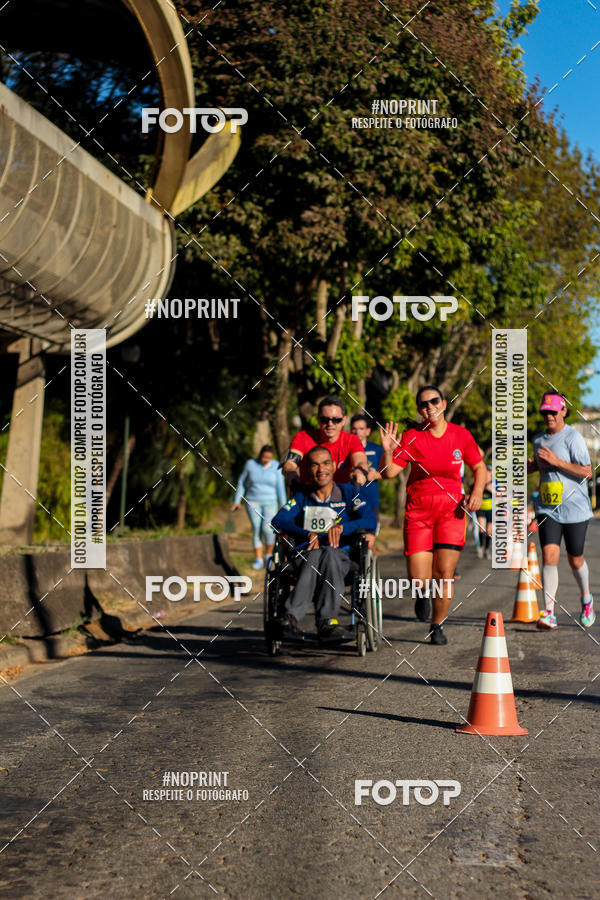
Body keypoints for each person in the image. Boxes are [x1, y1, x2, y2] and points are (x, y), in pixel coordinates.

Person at [374, 385, 487, 645]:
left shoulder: (461, 435)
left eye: (434, 401)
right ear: (418, 410)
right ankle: (422, 594)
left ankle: (437, 625)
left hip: (451, 510)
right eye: (423, 404)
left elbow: (479, 467)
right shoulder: (411, 437)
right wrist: (389, 450)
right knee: (418, 578)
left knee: (444, 574)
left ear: (444, 403)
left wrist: (477, 491)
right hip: (419, 512)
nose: (429, 407)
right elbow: (389, 473)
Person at [272, 445, 377, 642]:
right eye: (315, 465)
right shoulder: (302, 497)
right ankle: (290, 618)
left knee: (328, 553)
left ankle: (327, 622)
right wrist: (305, 533)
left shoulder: (347, 493)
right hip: (306, 556)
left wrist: (343, 528)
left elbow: (370, 520)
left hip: (339, 558)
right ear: (308, 470)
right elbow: (278, 521)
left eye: (326, 463)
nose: (321, 469)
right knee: (315, 554)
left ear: (335, 466)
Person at [529, 392, 595, 630]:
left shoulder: (573, 437)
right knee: (549, 557)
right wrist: (530, 466)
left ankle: (587, 599)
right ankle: (549, 612)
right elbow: (539, 466)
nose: (549, 416)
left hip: (575, 509)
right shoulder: (538, 440)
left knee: (575, 559)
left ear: (563, 411)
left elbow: (587, 471)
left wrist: (556, 462)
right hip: (548, 508)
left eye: (553, 412)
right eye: (545, 412)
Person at [282, 396, 369, 489]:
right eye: (325, 420)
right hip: (308, 496)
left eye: (336, 420)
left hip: (340, 496)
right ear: (318, 419)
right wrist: (291, 473)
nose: (330, 424)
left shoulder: (352, 440)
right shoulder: (303, 437)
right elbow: (290, 463)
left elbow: (360, 462)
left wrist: (359, 471)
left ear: (343, 420)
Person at [232, 444, 286, 570]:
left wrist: (284, 508)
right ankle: (258, 559)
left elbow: (280, 489)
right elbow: (241, 482)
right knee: (256, 528)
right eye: (264, 457)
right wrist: (237, 500)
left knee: (268, 529)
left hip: (270, 502)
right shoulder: (250, 464)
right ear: (260, 455)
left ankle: (268, 555)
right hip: (252, 501)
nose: (265, 460)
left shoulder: (276, 466)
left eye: (268, 457)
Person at [349, 413, 383, 531]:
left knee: (369, 538)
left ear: (367, 431)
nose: (357, 432)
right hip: (350, 502)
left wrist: (375, 475)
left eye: (361, 429)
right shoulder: (346, 448)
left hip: (371, 502)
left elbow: (389, 472)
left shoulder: (377, 449)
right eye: (354, 428)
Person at [476, 464, 495, 560]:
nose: (488, 473)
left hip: (491, 509)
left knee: (489, 530)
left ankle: (487, 549)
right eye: (486, 470)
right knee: (481, 528)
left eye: (489, 471)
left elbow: (501, 494)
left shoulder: (495, 482)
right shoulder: (480, 481)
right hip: (481, 508)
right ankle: (481, 548)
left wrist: (492, 491)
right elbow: (473, 491)